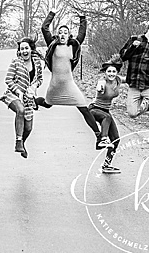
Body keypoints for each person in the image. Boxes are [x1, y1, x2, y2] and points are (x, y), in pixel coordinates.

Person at [39, 9, 104, 149]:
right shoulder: (52, 44)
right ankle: (32, 100)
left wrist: (82, 18)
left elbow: (82, 33)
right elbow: (44, 28)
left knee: (84, 108)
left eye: (65, 32)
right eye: (60, 32)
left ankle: (99, 137)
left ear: (69, 35)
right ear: (58, 35)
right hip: (55, 84)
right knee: (47, 104)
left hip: (69, 84)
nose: (62, 34)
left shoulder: (73, 45)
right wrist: (52, 14)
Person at [0, 37, 44, 158]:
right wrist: (18, 91)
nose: (24, 51)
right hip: (13, 94)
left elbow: (40, 79)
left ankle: (22, 142)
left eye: (26, 48)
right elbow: (8, 79)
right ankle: (18, 141)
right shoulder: (16, 62)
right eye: (22, 49)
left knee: (28, 128)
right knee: (20, 110)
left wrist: (34, 86)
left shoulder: (37, 63)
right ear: (19, 51)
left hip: (28, 98)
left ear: (31, 49)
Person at [88, 60, 124, 174]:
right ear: (105, 72)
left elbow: (132, 79)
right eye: (109, 71)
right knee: (106, 117)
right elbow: (100, 85)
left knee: (116, 140)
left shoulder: (118, 80)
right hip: (94, 109)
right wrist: (100, 88)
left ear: (117, 72)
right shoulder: (102, 81)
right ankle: (102, 139)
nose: (111, 74)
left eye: (114, 71)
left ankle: (106, 165)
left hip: (105, 110)